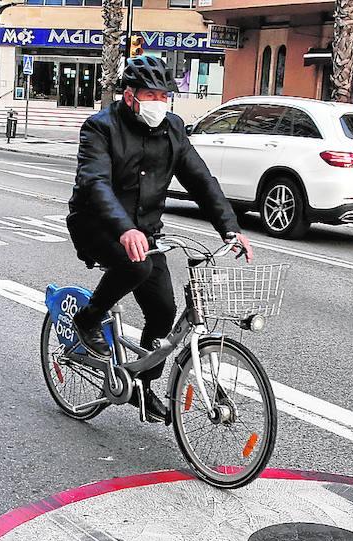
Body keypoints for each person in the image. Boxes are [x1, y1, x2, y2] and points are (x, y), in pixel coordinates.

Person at [65, 55, 253, 423]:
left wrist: (230, 228)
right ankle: (88, 320)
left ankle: (143, 386)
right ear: (130, 95)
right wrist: (125, 229)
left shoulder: (173, 129)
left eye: (164, 96)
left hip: (145, 231)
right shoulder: (100, 127)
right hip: (97, 225)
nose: (159, 103)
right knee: (137, 265)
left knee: (163, 311)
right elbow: (96, 184)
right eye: (151, 95)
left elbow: (200, 179)